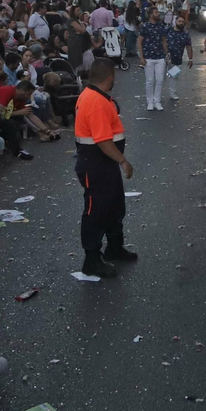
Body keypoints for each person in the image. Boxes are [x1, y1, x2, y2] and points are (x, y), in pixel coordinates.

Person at [73, 58, 136, 278]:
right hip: (96, 164)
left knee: (114, 205)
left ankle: (114, 247)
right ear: (110, 77)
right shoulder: (96, 102)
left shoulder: (94, 96)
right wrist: (123, 161)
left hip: (103, 164)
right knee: (96, 210)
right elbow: (102, 140)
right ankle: (91, 259)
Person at [139, 7, 170, 110]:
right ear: (151, 15)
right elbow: (139, 41)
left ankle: (157, 101)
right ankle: (150, 102)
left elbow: (164, 40)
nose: (158, 14)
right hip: (148, 57)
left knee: (160, 79)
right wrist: (141, 57)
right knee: (150, 80)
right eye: (156, 12)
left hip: (160, 57)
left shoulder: (161, 26)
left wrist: (167, 54)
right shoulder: (145, 26)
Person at [165, 14, 192, 102]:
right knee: (160, 77)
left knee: (174, 76)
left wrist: (190, 59)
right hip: (165, 58)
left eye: (183, 22)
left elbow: (188, 46)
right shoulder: (168, 30)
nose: (181, 23)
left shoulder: (185, 34)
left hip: (178, 59)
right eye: (179, 21)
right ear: (175, 22)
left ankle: (172, 92)